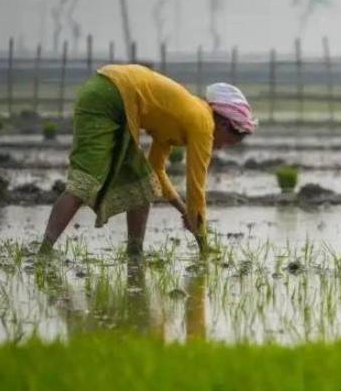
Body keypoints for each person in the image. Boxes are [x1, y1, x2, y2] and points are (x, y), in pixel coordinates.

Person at [38, 64, 257, 256]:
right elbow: (196, 189)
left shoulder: (186, 118)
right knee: (84, 182)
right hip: (112, 95)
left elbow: (156, 170)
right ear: (224, 124)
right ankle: (44, 253)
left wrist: (184, 211)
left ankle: (135, 254)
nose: (221, 147)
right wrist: (203, 243)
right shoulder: (203, 125)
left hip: (109, 90)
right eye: (227, 142)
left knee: (143, 184)